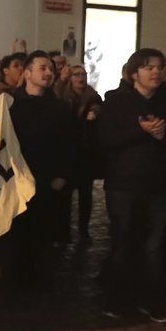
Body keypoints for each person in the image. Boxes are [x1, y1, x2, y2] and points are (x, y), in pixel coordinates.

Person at [98, 49, 166, 323]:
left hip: (161, 185)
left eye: (158, 67)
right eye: (147, 67)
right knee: (123, 241)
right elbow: (104, 140)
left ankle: (150, 299)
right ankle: (116, 298)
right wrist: (139, 131)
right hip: (124, 185)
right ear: (133, 74)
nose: (155, 72)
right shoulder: (117, 102)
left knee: (155, 244)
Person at [5, 51, 75, 288]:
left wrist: (63, 175)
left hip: (46, 180)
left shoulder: (59, 108)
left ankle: (38, 281)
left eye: (50, 69)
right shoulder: (10, 105)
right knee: (16, 235)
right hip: (16, 180)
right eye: (42, 68)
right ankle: (14, 282)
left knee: (42, 234)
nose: (48, 73)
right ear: (27, 73)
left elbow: (70, 144)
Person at [56, 65, 102, 240]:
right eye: (77, 75)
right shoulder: (64, 96)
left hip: (86, 151)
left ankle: (83, 229)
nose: (81, 78)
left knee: (86, 194)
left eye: (83, 74)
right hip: (69, 149)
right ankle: (64, 230)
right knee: (65, 195)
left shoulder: (92, 96)